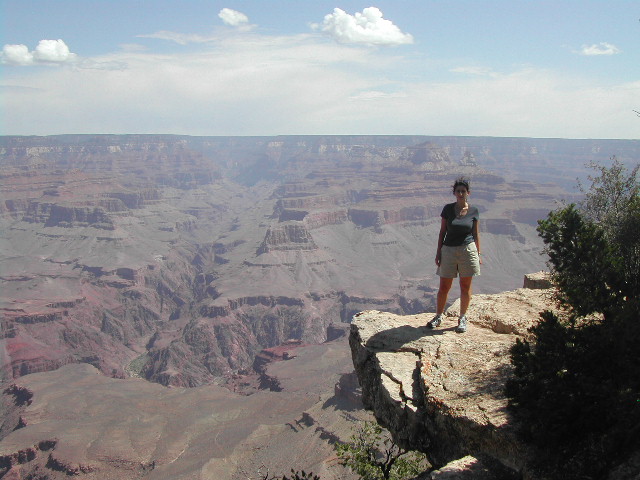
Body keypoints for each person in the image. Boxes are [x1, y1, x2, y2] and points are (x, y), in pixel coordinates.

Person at [427, 177, 482, 333]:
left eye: (463, 191)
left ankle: (462, 317)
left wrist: (478, 253)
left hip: (467, 250)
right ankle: (438, 316)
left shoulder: (474, 211)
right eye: (458, 191)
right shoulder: (448, 209)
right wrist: (438, 252)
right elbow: (442, 232)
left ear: (468, 193)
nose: (460, 193)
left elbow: (476, 234)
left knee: (465, 286)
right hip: (449, 250)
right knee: (444, 286)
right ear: (454, 193)